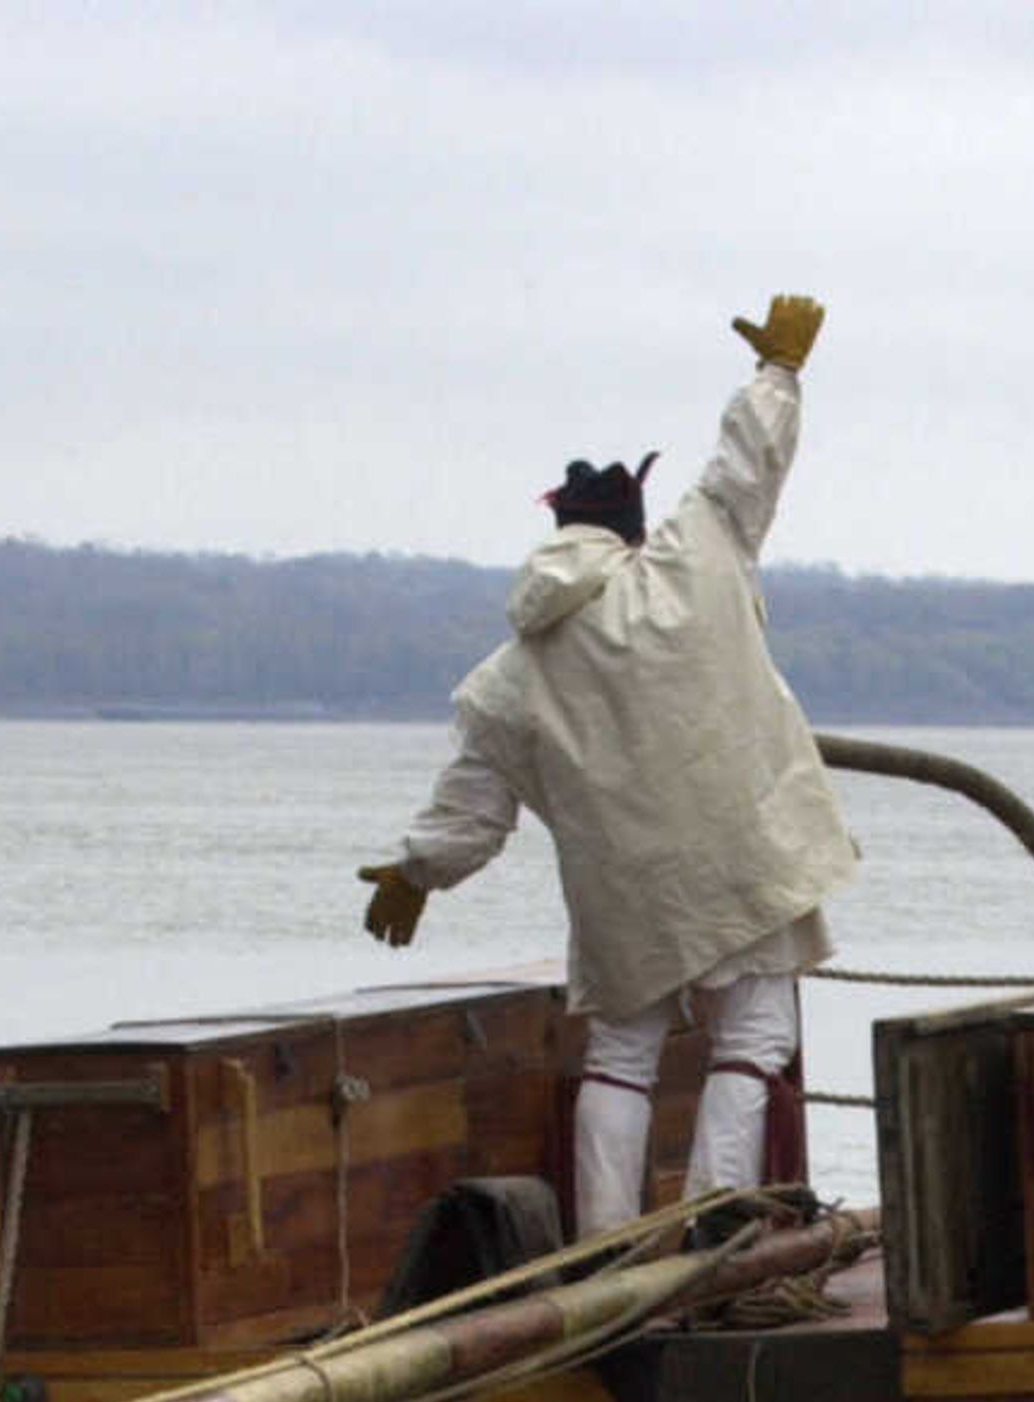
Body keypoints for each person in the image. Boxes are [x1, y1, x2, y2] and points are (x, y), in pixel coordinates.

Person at [362, 293, 859, 1233]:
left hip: (623, 893)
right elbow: (743, 468)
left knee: (620, 1056)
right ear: (631, 525)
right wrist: (779, 373)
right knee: (752, 1040)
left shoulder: (505, 680)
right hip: (745, 859)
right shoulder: (689, 560)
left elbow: (472, 810)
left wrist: (414, 873)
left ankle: (600, 1246)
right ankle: (717, 1221)